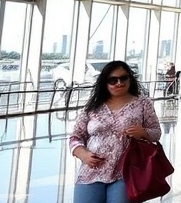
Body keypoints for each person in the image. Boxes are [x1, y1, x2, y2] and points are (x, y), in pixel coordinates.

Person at [69, 60, 162, 203]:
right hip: (91, 171)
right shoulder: (94, 106)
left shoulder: (142, 103)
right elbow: (76, 136)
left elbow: (156, 132)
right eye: (113, 80)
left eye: (124, 78)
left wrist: (143, 132)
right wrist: (83, 154)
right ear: (105, 83)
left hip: (126, 172)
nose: (119, 83)